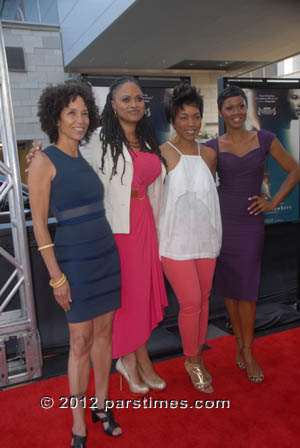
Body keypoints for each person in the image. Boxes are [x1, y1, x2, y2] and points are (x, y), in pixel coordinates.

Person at [28, 83, 122, 448]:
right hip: (74, 261)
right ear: (55, 117)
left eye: (84, 113)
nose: (80, 120)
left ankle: (101, 407)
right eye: (71, 112)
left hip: (104, 254)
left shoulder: (88, 154)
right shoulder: (42, 160)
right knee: (79, 342)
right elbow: (38, 225)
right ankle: (78, 422)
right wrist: (56, 278)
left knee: (104, 335)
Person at [204, 85, 300, 383]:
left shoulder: (264, 139)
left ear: (246, 108)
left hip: (250, 222)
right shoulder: (212, 145)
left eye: (240, 106)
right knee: (231, 290)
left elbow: (294, 170)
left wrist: (273, 201)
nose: (236, 112)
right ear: (221, 112)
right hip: (223, 221)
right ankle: (238, 345)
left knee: (246, 291)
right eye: (229, 108)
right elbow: (205, 188)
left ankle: (248, 350)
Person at [83, 77, 167, 393]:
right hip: (118, 229)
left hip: (146, 223)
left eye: (139, 98)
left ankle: (141, 359)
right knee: (130, 298)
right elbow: (74, 168)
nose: (134, 104)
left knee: (142, 295)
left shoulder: (147, 140)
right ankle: (130, 361)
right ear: (113, 104)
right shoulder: (98, 140)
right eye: (126, 99)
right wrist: (40, 158)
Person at [159, 84, 222, 393]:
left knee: (204, 300)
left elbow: (211, 197)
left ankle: (197, 356)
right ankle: (193, 360)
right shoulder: (162, 153)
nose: (191, 124)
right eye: (184, 117)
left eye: (196, 116)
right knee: (191, 301)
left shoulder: (210, 154)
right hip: (174, 243)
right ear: (173, 119)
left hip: (206, 240)